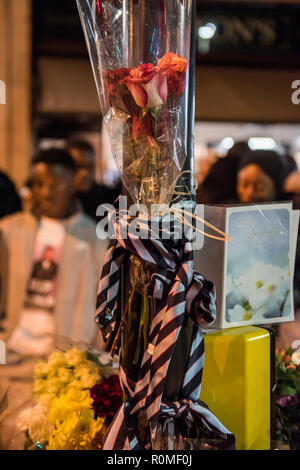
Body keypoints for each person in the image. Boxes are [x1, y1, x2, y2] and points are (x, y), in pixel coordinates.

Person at [0, 148, 108, 357]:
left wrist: (90, 355)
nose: (45, 192)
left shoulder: (94, 238)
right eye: (39, 184)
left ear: (72, 184)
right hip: (12, 350)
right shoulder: (8, 230)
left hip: (66, 356)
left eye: (54, 184)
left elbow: (103, 302)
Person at [66, 139, 120, 220]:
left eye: (90, 167)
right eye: (78, 167)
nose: (85, 173)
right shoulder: (61, 203)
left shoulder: (109, 198)